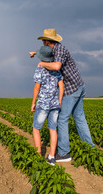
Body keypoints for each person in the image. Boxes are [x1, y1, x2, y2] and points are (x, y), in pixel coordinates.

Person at [30, 28, 95, 162]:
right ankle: (90, 147)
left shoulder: (58, 50)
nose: (42, 42)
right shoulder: (56, 48)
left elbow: (57, 66)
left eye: (43, 40)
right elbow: (47, 54)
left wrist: (41, 63)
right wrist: (35, 53)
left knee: (62, 119)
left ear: (48, 41)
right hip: (79, 85)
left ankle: (64, 153)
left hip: (71, 89)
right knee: (79, 117)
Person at [31, 45, 64, 166]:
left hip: (43, 105)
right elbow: (61, 86)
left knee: (36, 128)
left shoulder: (40, 69)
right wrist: (59, 101)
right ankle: (51, 157)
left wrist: (33, 102)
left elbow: (36, 87)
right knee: (53, 130)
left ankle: (38, 154)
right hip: (55, 105)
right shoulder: (57, 70)